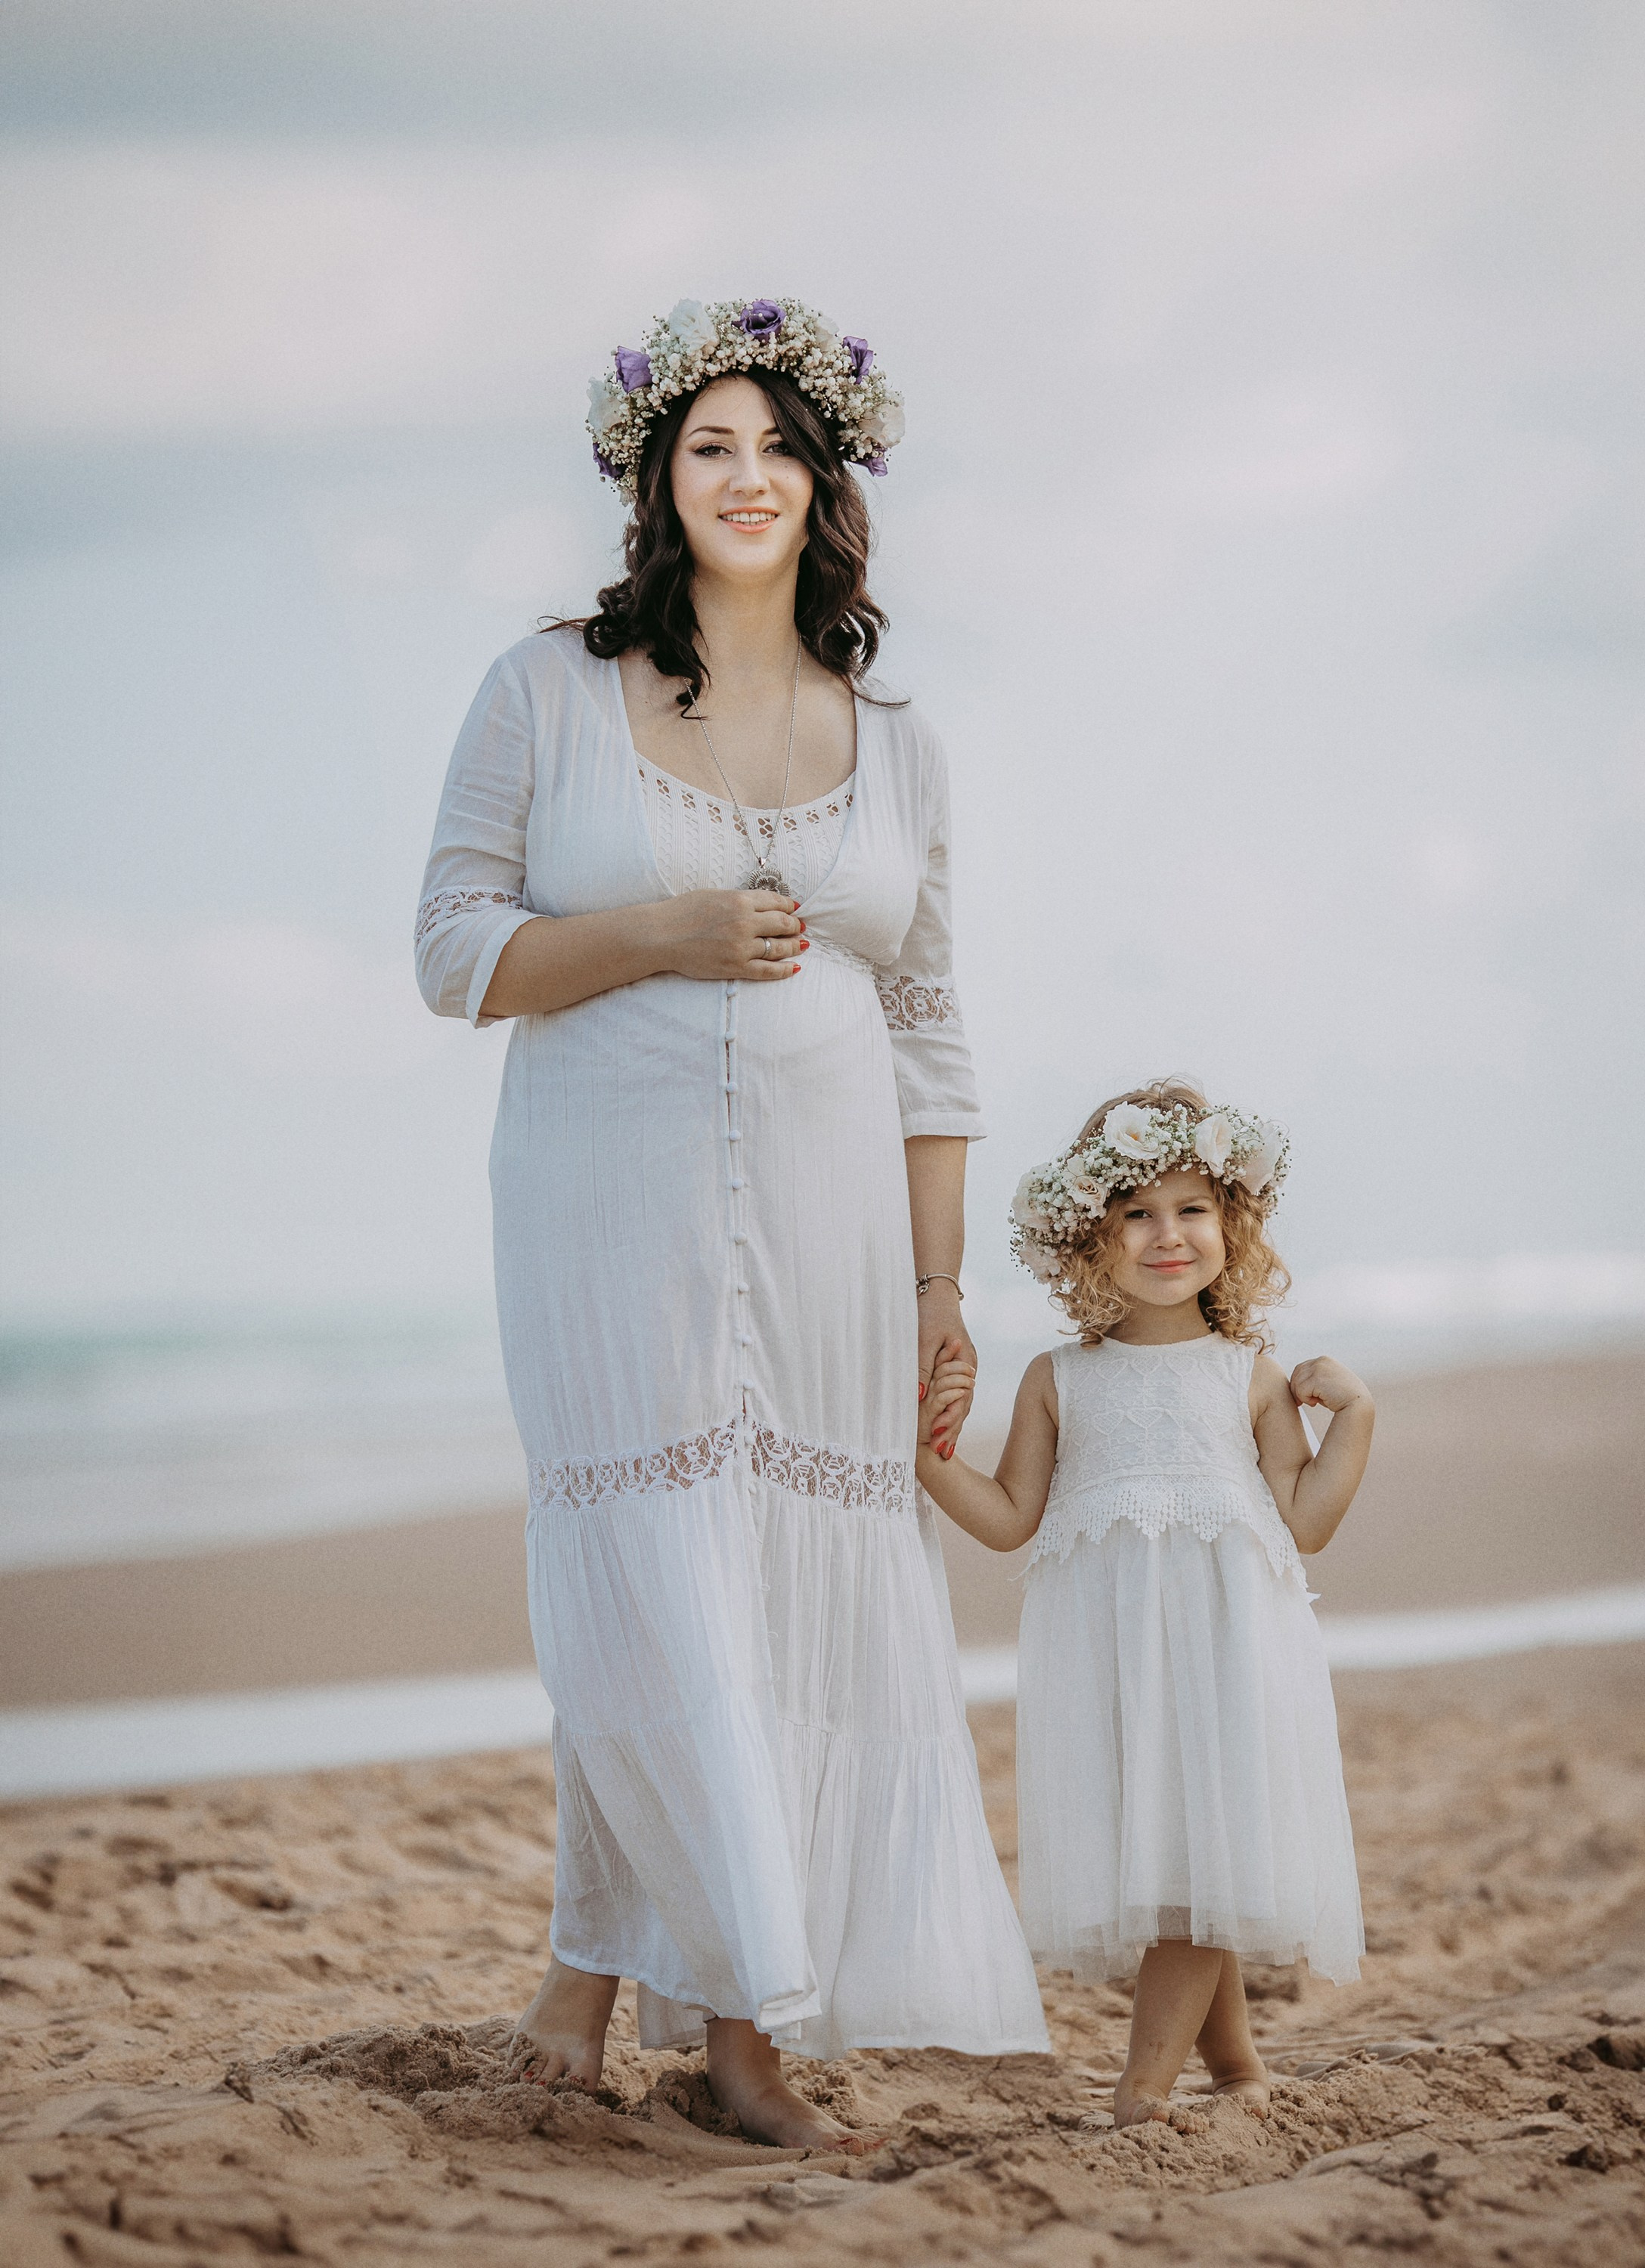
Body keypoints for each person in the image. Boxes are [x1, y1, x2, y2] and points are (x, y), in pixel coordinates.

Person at [414, 296, 1046, 2152]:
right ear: (659, 481)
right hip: (607, 1210)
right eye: (711, 444)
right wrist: (663, 935)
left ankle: (586, 1979)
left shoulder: (899, 745)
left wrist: (942, 1288)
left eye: (779, 445)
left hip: (842, 1234)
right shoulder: (548, 688)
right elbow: (452, 950)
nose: (747, 473)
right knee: (659, 1577)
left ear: (827, 481)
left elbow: (931, 1034)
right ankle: (741, 2028)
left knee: (770, 1588)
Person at [915, 1077, 1371, 2130]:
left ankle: (1142, 2089)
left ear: (1233, 1223)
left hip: (1228, 1644)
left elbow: (1307, 1520)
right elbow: (1009, 1517)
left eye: (1193, 1208)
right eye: (1137, 1213)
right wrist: (925, 1456)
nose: (1168, 1235)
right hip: (1111, 1654)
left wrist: (1356, 1416)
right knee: (1181, 1858)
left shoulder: (1249, 1375)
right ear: (1090, 1235)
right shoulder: (1058, 1378)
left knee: (1199, 1863)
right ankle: (1238, 2068)